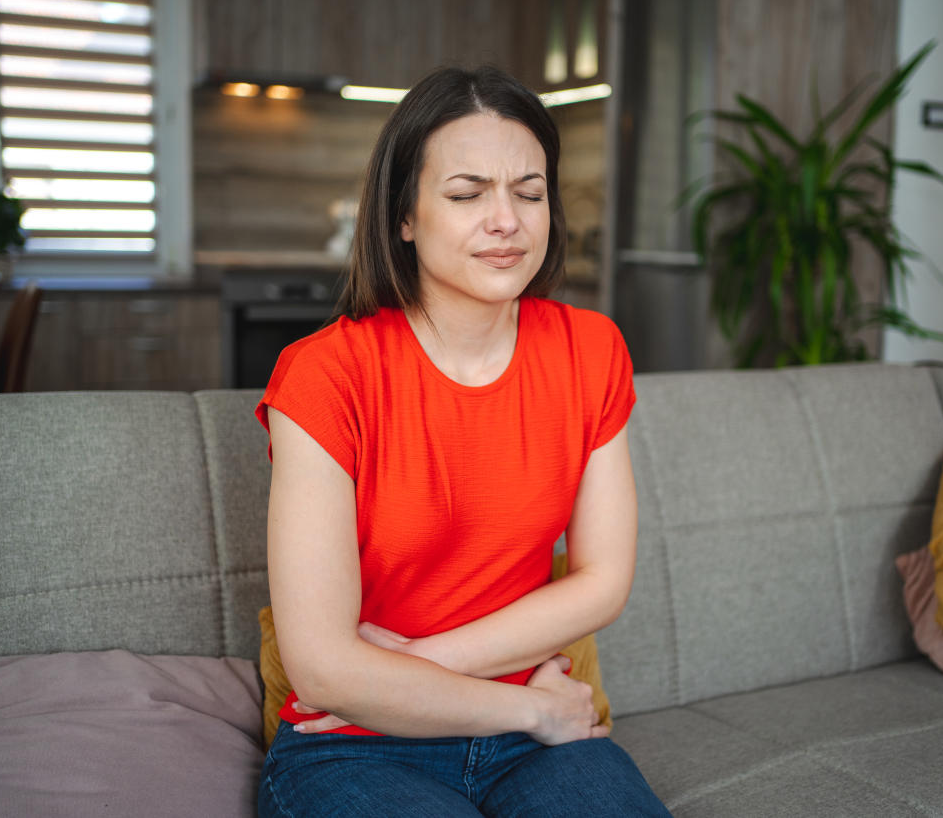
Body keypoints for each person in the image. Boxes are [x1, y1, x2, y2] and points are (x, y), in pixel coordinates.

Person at [254, 65, 671, 817]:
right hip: (357, 742)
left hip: (530, 745)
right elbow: (321, 672)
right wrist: (533, 711)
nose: (506, 220)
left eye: (530, 192)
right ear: (404, 216)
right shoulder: (324, 375)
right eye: (467, 193)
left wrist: (412, 662)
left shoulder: (592, 350)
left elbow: (602, 580)